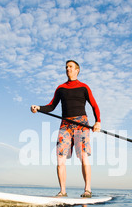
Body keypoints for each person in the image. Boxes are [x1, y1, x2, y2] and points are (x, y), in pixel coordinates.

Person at [31, 60, 101, 198]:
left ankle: (87, 190)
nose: (67, 69)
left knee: (83, 156)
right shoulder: (60, 88)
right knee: (60, 159)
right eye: (66, 67)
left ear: (77, 70)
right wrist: (38, 108)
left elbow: (94, 105)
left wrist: (97, 122)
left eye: (70, 67)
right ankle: (62, 191)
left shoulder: (84, 87)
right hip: (65, 125)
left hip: (81, 123)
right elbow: (51, 106)